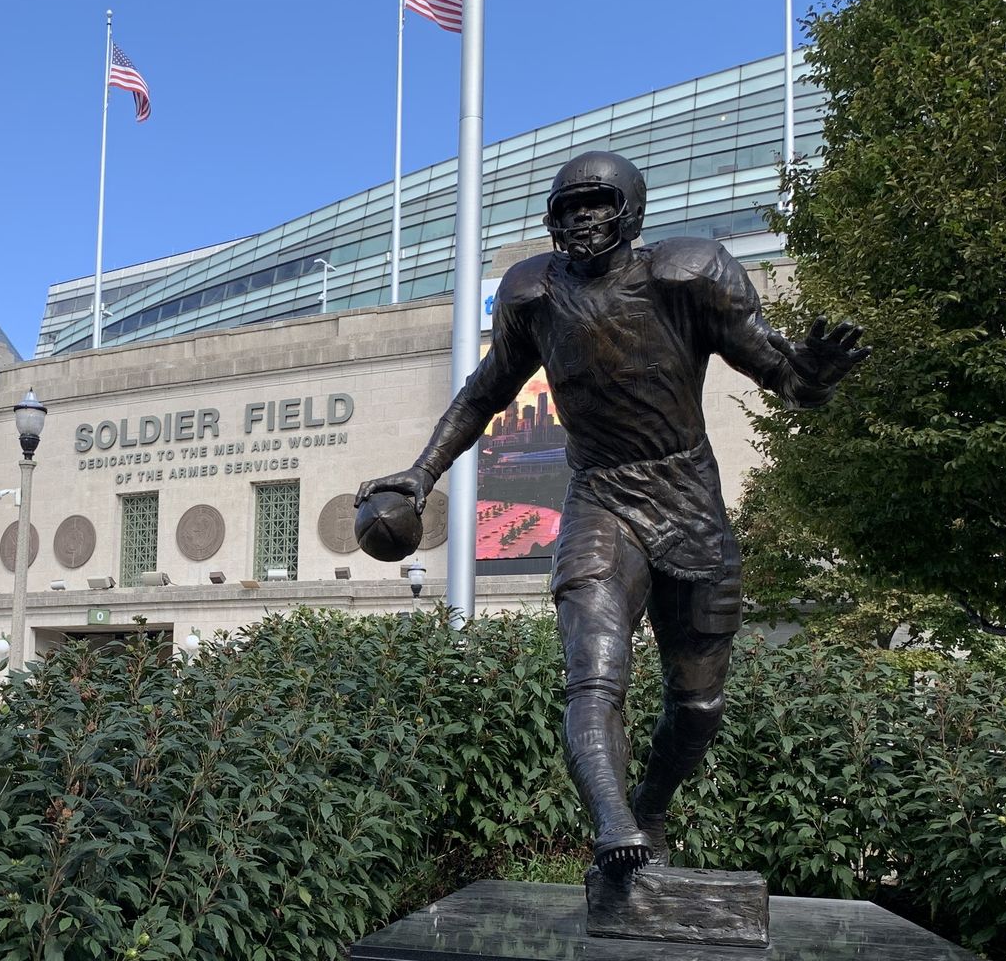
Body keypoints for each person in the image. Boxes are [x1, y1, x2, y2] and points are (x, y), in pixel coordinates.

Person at [359, 150, 869, 882]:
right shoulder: (533, 293)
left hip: (687, 497)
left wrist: (817, 375)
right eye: (570, 208)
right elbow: (483, 394)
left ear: (631, 209)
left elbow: (785, 377)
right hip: (600, 495)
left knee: (698, 707)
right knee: (594, 676)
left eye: (597, 204)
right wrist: (420, 472)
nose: (584, 220)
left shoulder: (688, 274)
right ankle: (613, 823)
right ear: (551, 220)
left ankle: (650, 809)